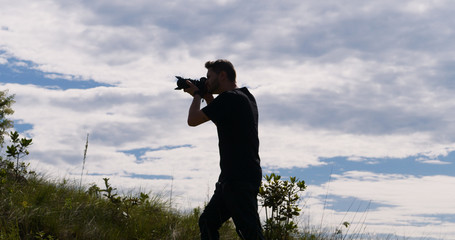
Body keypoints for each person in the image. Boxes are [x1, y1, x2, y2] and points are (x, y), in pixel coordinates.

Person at [183, 59, 265, 240]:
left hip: (239, 179)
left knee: (250, 233)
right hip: (234, 177)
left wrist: (197, 95)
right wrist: (207, 96)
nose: (207, 81)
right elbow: (220, 118)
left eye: (209, 77)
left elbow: (193, 120)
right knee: (207, 221)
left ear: (222, 75)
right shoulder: (244, 97)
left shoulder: (230, 98)